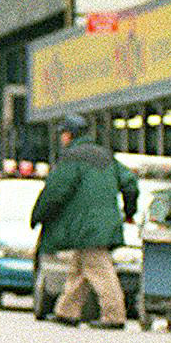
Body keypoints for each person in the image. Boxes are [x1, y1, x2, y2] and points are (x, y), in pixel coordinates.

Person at [30, 113, 140, 329]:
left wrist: (38, 215)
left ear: (70, 135)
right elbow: (130, 183)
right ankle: (66, 312)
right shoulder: (106, 156)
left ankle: (114, 316)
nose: (61, 138)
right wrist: (129, 211)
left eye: (63, 133)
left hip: (87, 226)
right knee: (80, 268)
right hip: (103, 223)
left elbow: (55, 192)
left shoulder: (72, 158)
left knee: (100, 270)